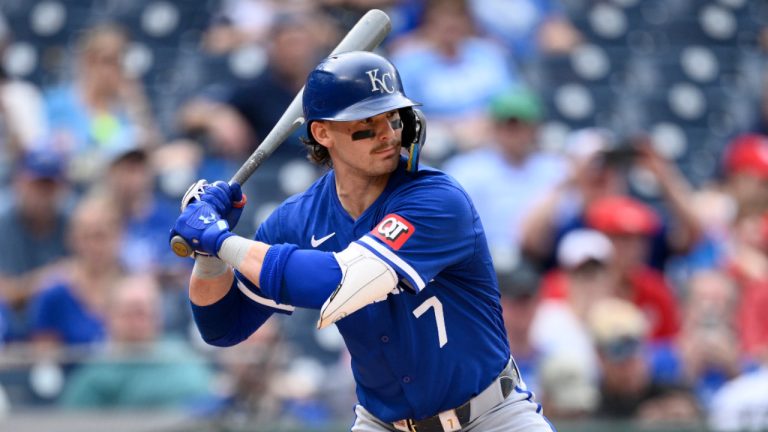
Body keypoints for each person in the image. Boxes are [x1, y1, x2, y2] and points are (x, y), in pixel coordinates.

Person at [170, 51, 554, 431]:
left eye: (393, 118)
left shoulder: (436, 199)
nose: (387, 135)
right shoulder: (296, 220)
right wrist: (208, 256)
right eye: (366, 124)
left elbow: (344, 282)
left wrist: (221, 240)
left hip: (490, 416)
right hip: (384, 424)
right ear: (322, 133)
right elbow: (223, 326)